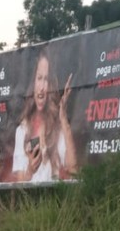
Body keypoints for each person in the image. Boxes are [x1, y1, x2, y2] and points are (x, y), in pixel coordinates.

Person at [12, 49, 77, 182]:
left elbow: (73, 171)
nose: (42, 88)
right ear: (33, 82)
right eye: (39, 78)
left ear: (52, 84)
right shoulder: (21, 131)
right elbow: (19, 185)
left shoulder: (59, 129)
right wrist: (30, 170)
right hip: (30, 202)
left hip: (55, 201)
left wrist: (64, 120)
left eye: (46, 80)